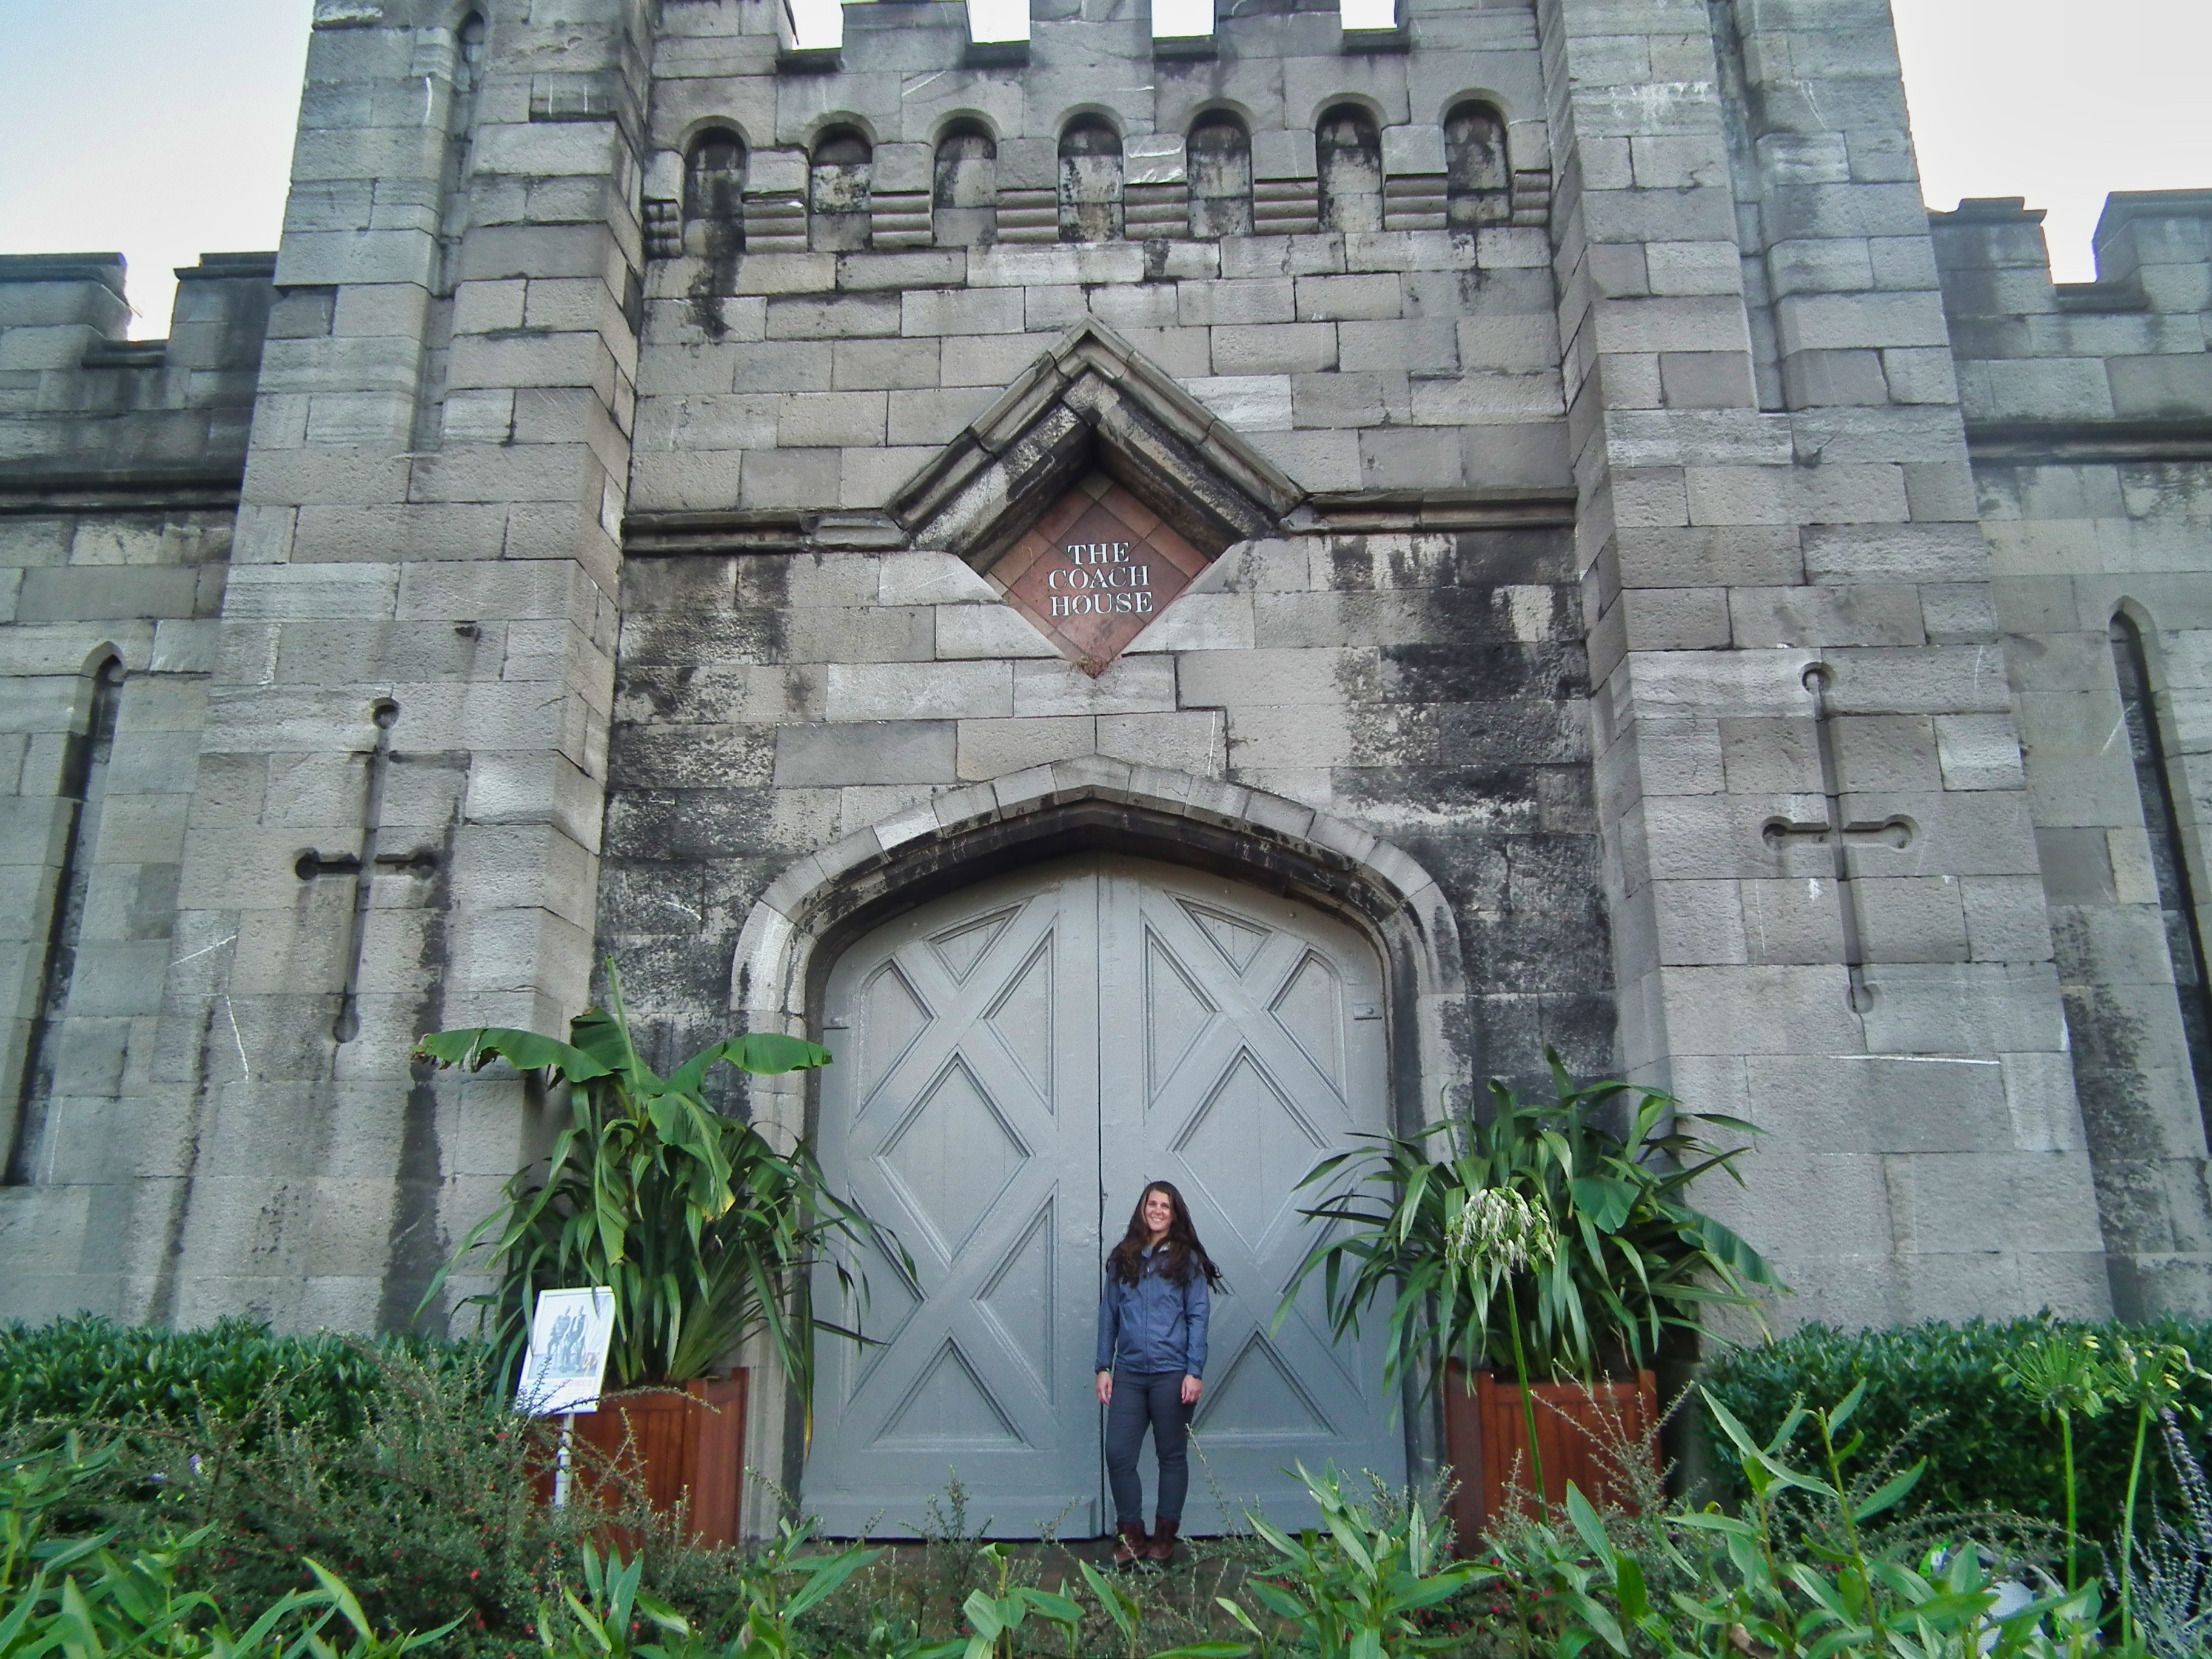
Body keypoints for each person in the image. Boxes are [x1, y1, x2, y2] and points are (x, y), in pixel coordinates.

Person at [1095, 1179, 1222, 1568]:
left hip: (1172, 1374)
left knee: (1171, 1456)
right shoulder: (1124, 1258)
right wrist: (1104, 1366)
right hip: (1130, 1374)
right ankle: (1131, 1538)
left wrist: (1194, 1371)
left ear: (1175, 1213)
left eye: (1166, 1206)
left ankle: (1164, 1540)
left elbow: (1198, 1316)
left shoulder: (1188, 1260)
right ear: (1143, 1209)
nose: (1158, 1211)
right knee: (1118, 1453)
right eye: (1153, 1204)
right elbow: (1109, 1315)